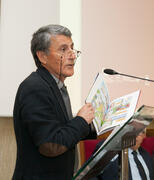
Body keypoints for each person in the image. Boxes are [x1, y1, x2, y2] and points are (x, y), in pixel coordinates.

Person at [12, 24, 97, 180]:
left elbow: (63, 131)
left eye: (72, 48)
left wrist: (95, 124)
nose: (72, 55)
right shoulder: (35, 88)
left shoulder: (56, 86)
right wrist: (81, 120)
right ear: (42, 56)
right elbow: (51, 144)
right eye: (63, 50)